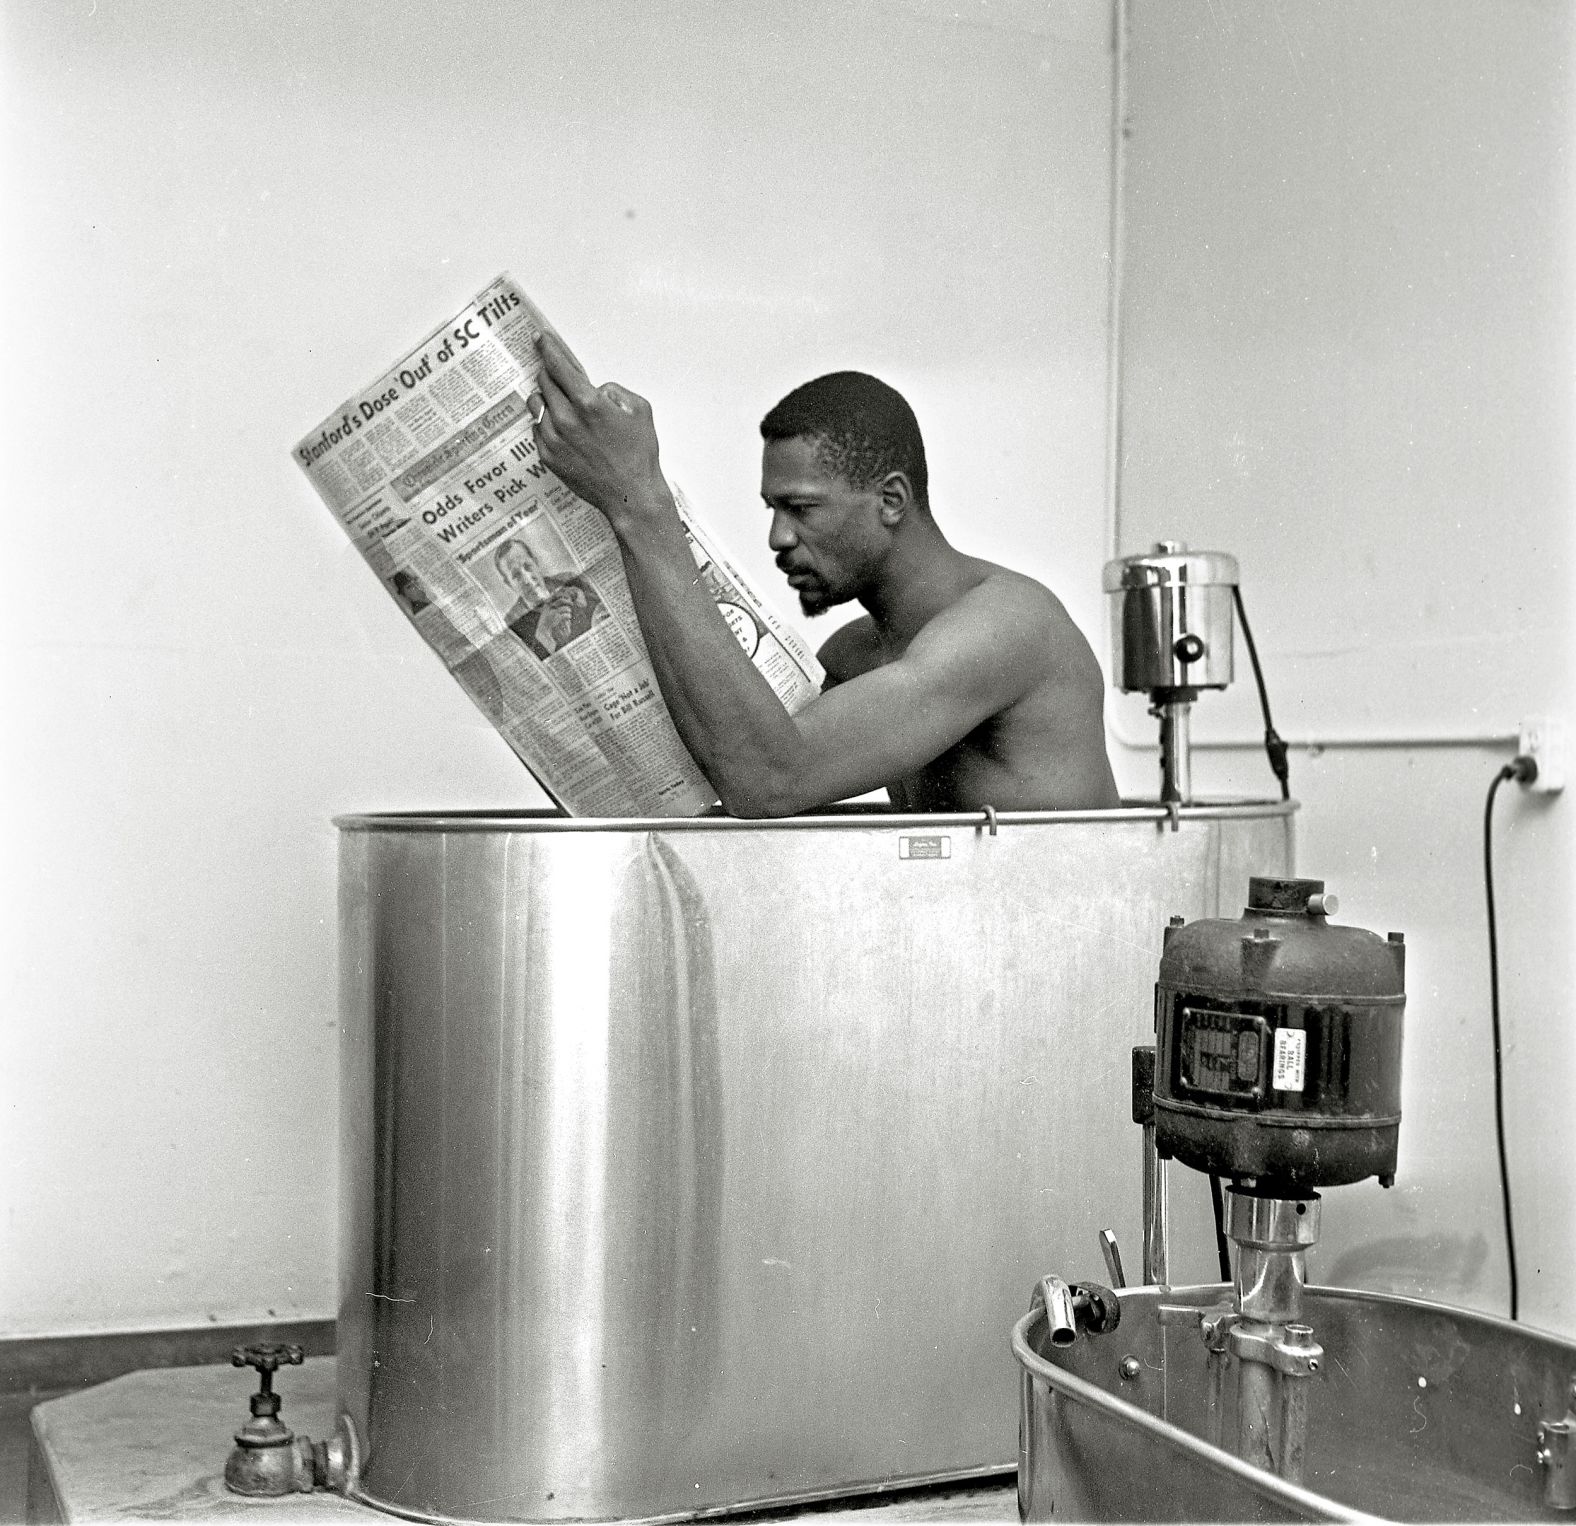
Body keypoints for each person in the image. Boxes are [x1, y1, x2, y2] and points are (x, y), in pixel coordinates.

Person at [530, 334, 1119, 817]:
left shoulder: (1008, 624)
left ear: (891, 500)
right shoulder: (854, 654)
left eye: (803, 508)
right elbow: (748, 785)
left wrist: (639, 502)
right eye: (773, 510)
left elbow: (769, 780)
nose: (779, 538)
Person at [492, 537, 603, 659]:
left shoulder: (570, 579)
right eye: (516, 575)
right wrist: (543, 633)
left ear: (536, 562)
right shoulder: (511, 622)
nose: (527, 579)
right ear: (508, 583)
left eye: (528, 566)